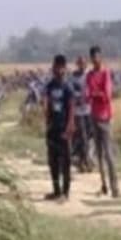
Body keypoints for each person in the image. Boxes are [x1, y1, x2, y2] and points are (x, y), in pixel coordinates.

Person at [86, 45, 120, 198]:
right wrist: (95, 94)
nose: (95, 59)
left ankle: (115, 187)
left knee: (108, 154)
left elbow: (107, 95)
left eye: (97, 56)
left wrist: (95, 94)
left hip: (105, 116)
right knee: (99, 154)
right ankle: (104, 184)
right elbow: (87, 95)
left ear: (101, 57)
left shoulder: (105, 73)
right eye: (93, 57)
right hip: (94, 115)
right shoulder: (89, 75)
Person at [43, 54, 76, 201]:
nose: (59, 70)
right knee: (53, 161)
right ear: (53, 68)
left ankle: (65, 192)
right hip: (52, 128)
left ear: (65, 69)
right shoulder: (49, 86)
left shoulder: (67, 87)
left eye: (62, 67)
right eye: (57, 67)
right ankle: (55, 190)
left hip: (64, 128)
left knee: (66, 161)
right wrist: (47, 120)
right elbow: (46, 104)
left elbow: (71, 107)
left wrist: (70, 126)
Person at [69, 55, 96, 174]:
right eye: (80, 63)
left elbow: (93, 89)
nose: (82, 65)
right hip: (78, 112)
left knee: (89, 136)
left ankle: (82, 160)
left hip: (89, 110)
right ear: (77, 64)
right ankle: (85, 162)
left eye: (84, 63)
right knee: (83, 136)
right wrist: (78, 96)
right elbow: (71, 91)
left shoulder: (89, 75)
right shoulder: (73, 77)